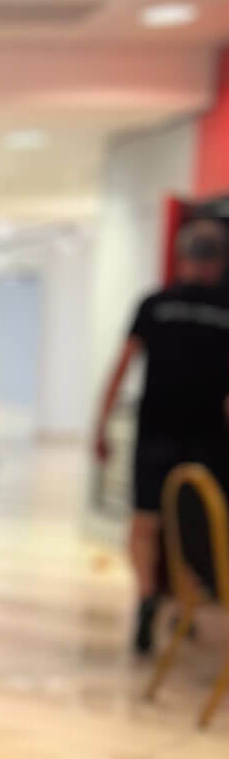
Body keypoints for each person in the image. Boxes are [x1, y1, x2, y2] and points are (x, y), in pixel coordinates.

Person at [94, 217, 229, 653]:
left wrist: (101, 424)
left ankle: (148, 599)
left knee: (145, 521)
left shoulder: (155, 303)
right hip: (208, 436)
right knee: (195, 525)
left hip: (156, 429)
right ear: (220, 262)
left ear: (180, 256)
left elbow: (122, 365)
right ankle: (184, 604)